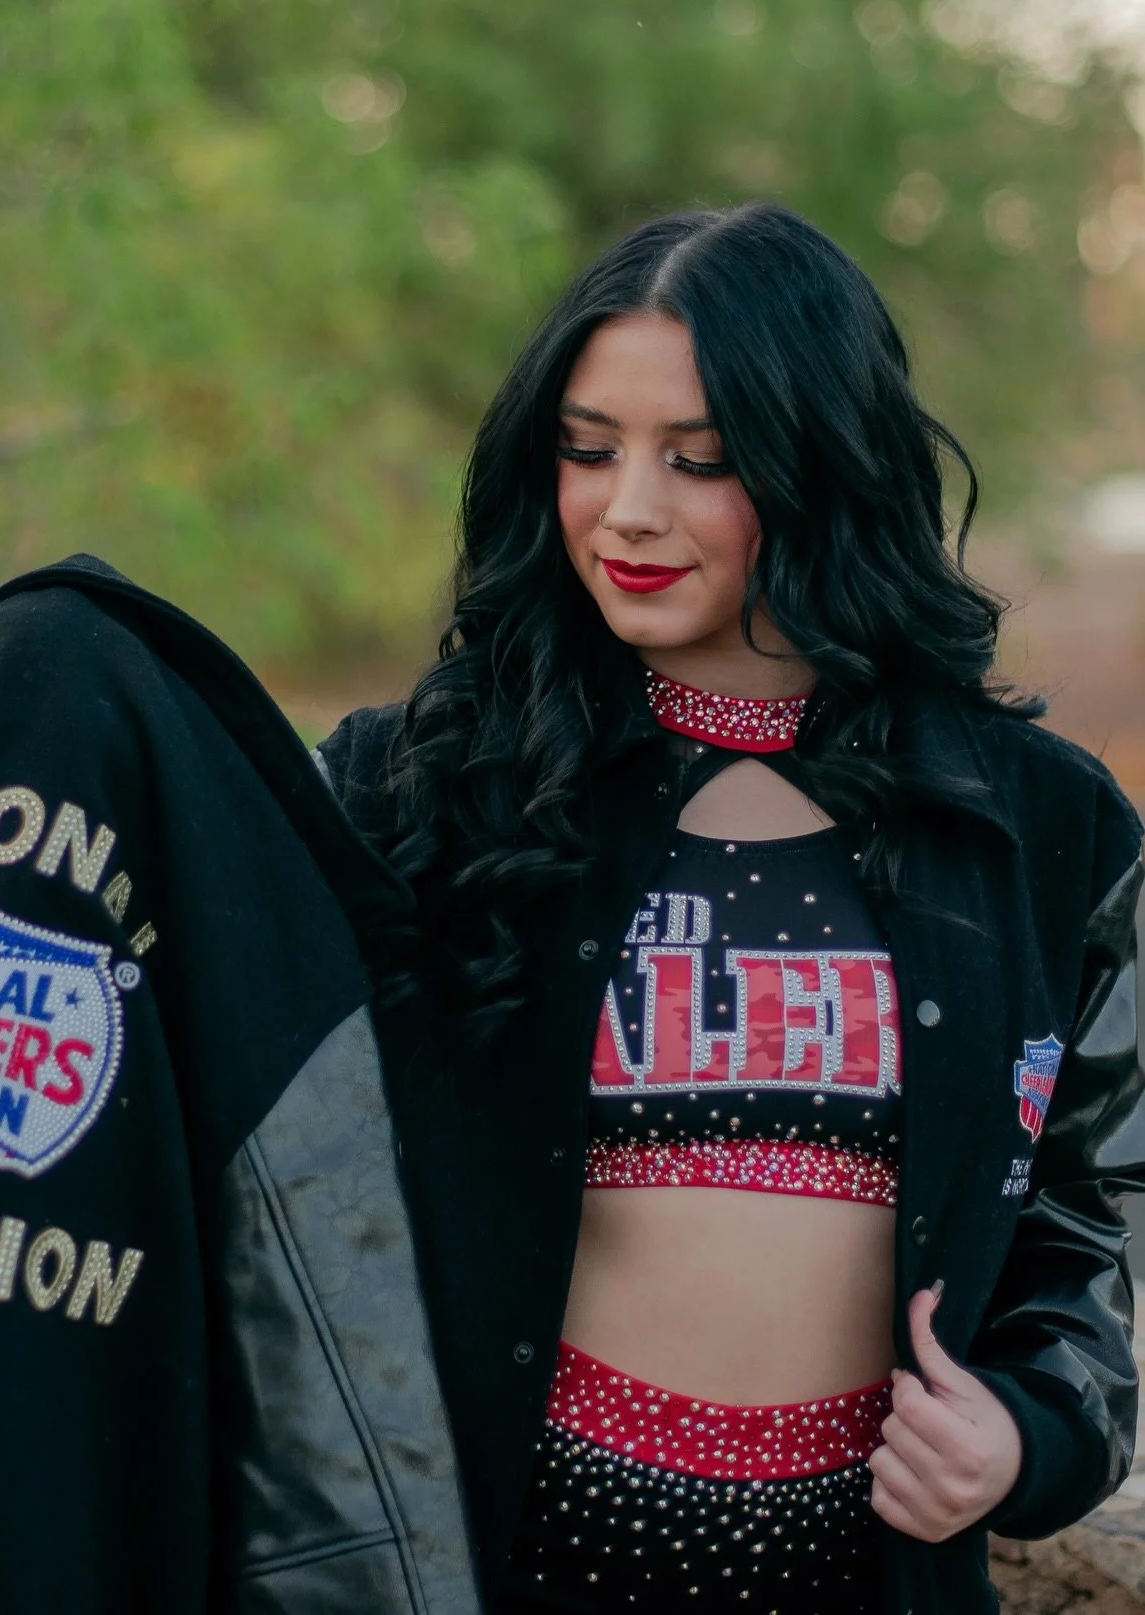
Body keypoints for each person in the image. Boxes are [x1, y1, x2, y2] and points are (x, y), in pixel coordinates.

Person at [313, 202, 1145, 1614]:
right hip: (502, 1561)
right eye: (588, 448)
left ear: (825, 462)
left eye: (698, 460)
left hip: (869, 1574)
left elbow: (1106, 1192)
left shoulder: (1040, 826)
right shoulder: (420, 788)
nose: (628, 507)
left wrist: (1030, 1426)